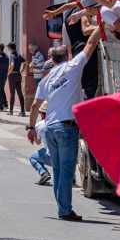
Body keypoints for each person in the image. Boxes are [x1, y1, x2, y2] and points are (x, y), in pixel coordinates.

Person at [27, 26, 102, 222]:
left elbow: (35, 105)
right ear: (67, 58)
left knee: (59, 170)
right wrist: (101, 25)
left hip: (50, 128)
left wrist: (31, 128)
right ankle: (65, 209)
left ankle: (62, 208)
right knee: (67, 171)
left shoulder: (47, 79)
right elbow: (92, 44)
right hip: (66, 127)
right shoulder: (73, 66)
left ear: (52, 61)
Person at [28, 102, 51, 185]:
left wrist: (33, 132)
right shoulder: (59, 122)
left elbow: (38, 142)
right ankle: (71, 177)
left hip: (50, 157)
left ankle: (43, 172)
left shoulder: (39, 125)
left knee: (32, 157)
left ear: (41, 113)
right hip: (64, 156)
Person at [6, 42, 26, 117]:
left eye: (8, 47)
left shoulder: (11, 56)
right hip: (18, 74)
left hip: (12, 75)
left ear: (10, 48)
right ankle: (22, 111)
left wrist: (8, 72)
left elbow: (12, 65)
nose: (8, 48)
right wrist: (22, 70)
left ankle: (11, 111)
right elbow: (25, 62)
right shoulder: (19, 55)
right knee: (20, 93)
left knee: (12, 93)